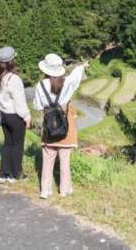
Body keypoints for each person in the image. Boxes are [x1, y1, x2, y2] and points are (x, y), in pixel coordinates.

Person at [33, 53, 87, 199]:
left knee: (48, 158)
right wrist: (82, 66)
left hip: (49, 126)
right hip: (65, 125)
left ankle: (45, 190)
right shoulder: (67, 82)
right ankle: (64, 189)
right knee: (64, 159)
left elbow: (38, 106)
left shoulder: (40, 86)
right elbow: (75, 77)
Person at [0, 46, 31, 184]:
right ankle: (15, 175)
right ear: (12, 61)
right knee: (17, 145)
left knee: (7, 144)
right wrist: (27, 116)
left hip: (3, 115)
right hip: (15, 116)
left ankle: (3, 174)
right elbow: (19, 102)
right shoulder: (14, 79)